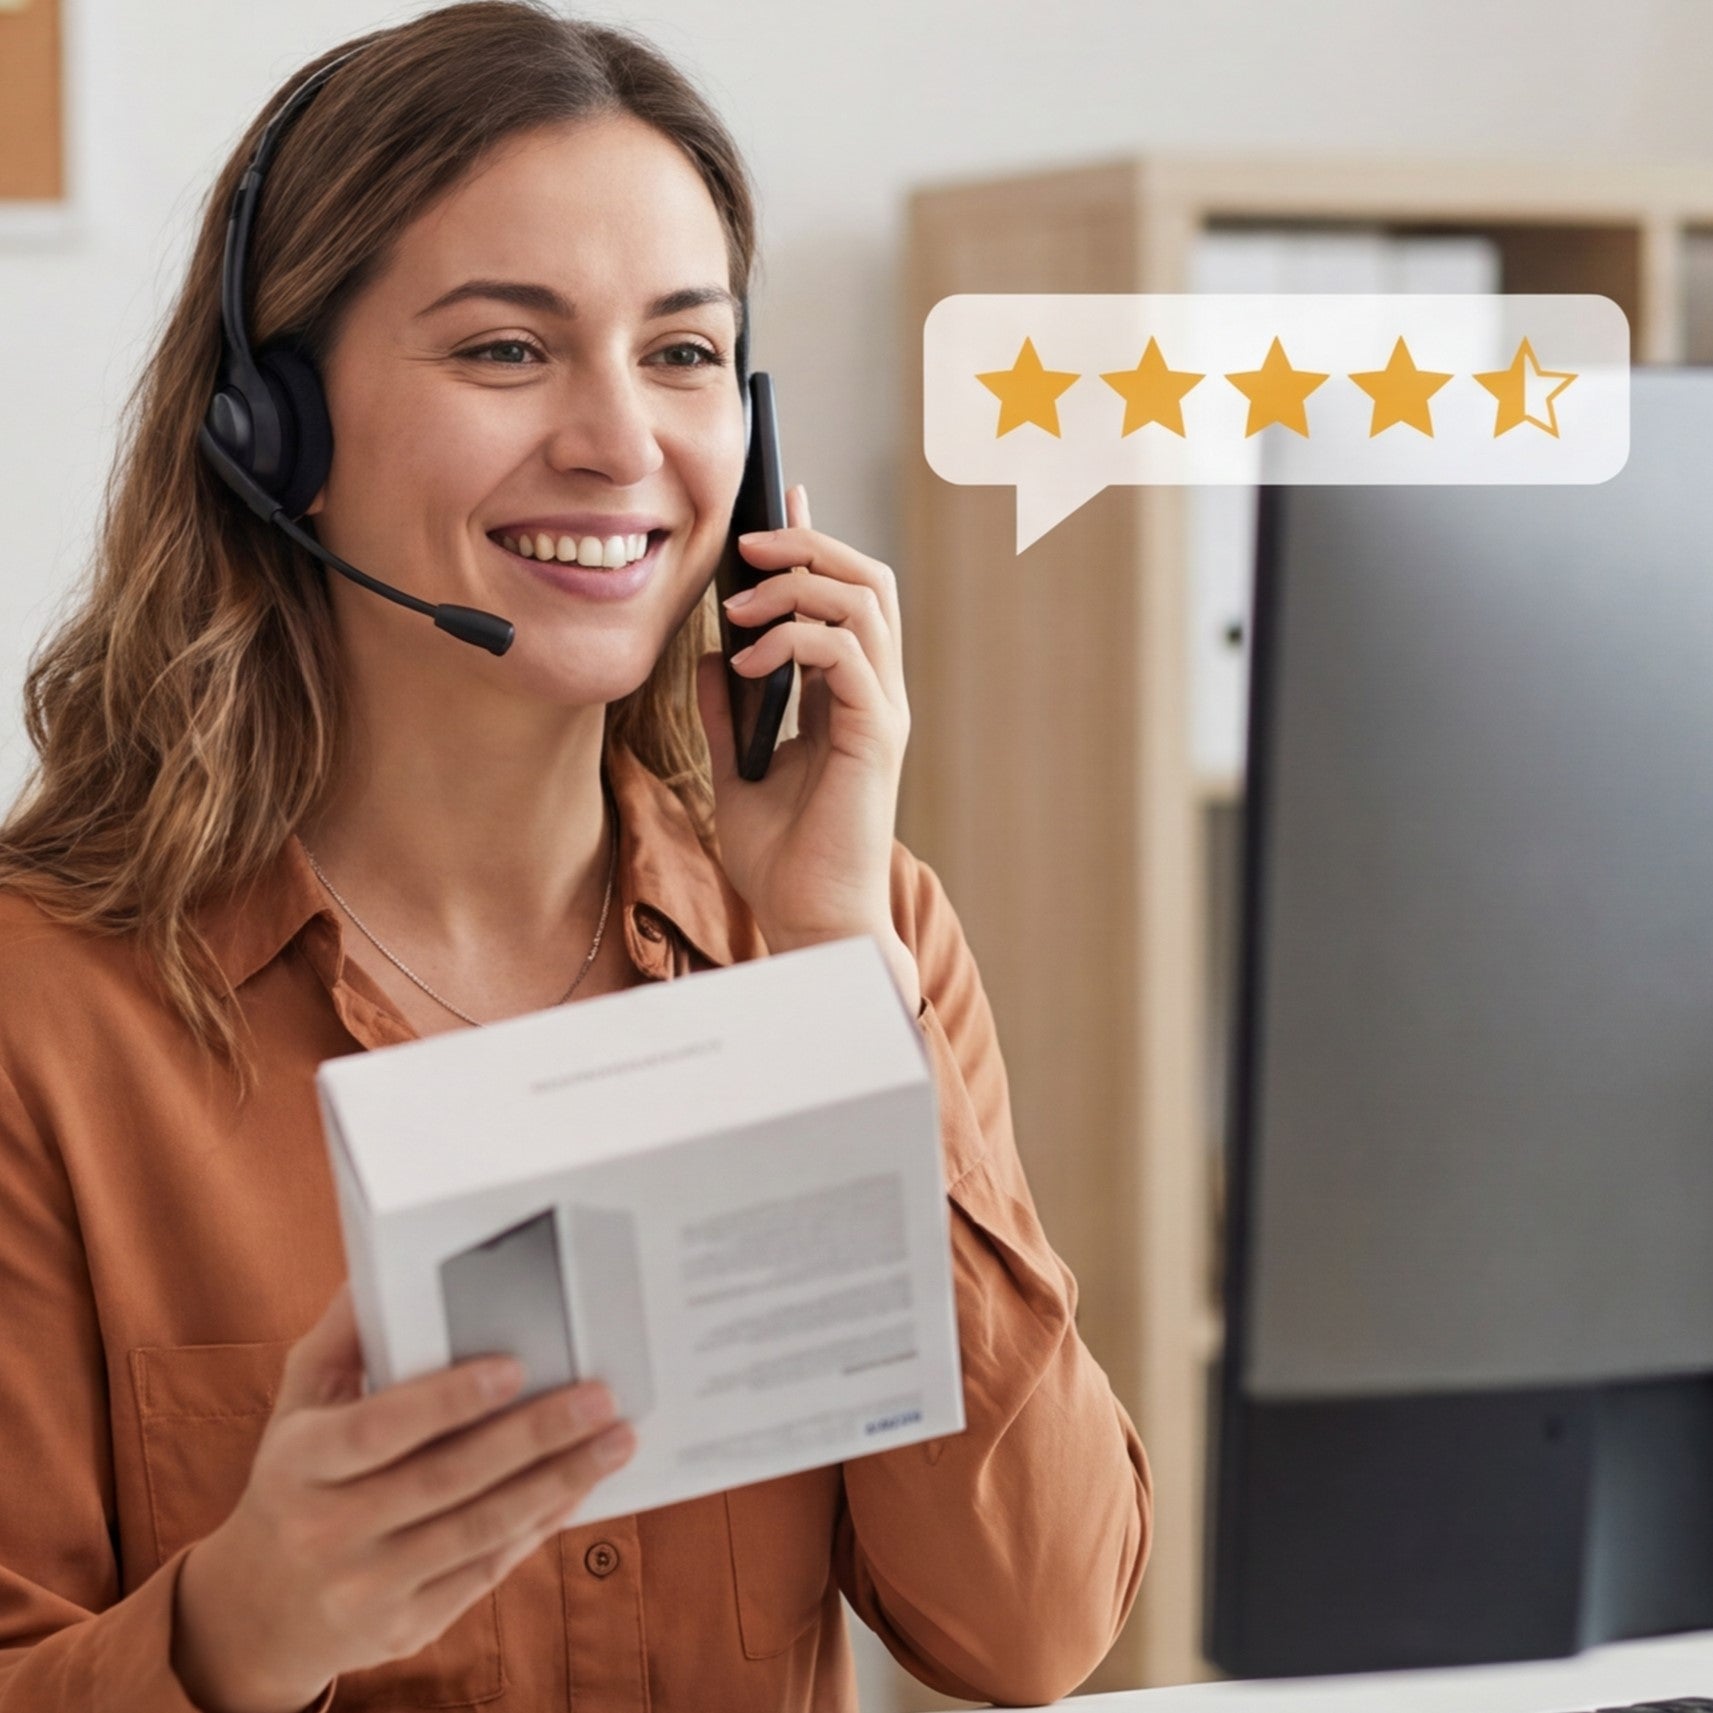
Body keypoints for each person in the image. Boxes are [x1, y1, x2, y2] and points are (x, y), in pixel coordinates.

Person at [0, 4, 1152, 1708]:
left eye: (683, 355)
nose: (622, 443)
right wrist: (244, 1621)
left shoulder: (857, 934)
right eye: (506, 351)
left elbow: (1032, 1625)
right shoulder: (46, 1006)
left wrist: (836, 974)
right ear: (273, 429)